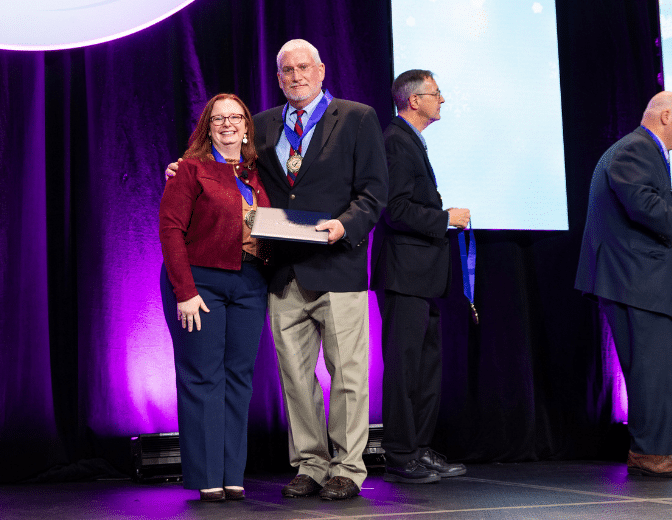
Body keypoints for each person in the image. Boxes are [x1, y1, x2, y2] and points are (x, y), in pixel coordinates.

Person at [167, 39, 388, 500]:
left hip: (338, 265)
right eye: (287, 70)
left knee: (347, 375)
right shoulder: (262, 125)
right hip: (284, 274)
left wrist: (343, 227)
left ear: (322, 70)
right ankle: (310, 463)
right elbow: (232, 170)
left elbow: (373, 193)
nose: (296, 76)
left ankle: (347, 466)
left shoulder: (357, 117)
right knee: (295, 376)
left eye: (304, 67)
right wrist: (184, 168)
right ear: (278, 76)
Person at [159, 93, 271, 501]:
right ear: (208, 126)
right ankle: (207, 477)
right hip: (200, 284)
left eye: (235, 117)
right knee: (203, 376)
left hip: (250, 284)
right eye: (218, 118)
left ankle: (232, 475)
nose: (227, 124)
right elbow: (171, 230)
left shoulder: (261, 173)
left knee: (239, 379)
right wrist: (184, 291)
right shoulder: (189, 170)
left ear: (246, 126)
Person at [370, 70, 469, 484]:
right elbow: (396, 209)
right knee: (405, 369)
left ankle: (419, 448)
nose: (442, 100)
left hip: (422, 278)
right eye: (436, 93)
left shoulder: (410, 141)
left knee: (426, 369)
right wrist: (445, 218)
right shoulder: (395, 141)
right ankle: (400, 453)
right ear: (413, 100)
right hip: (404, 276)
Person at [575, 91, 672, 478]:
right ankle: (652, 452)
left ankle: (654, 448)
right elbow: (645, 206)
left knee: (655, 368)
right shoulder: (635, 149)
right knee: (651, 369)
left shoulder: (644, 150)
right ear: (666, 116)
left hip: (638, 280)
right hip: (634, 280)